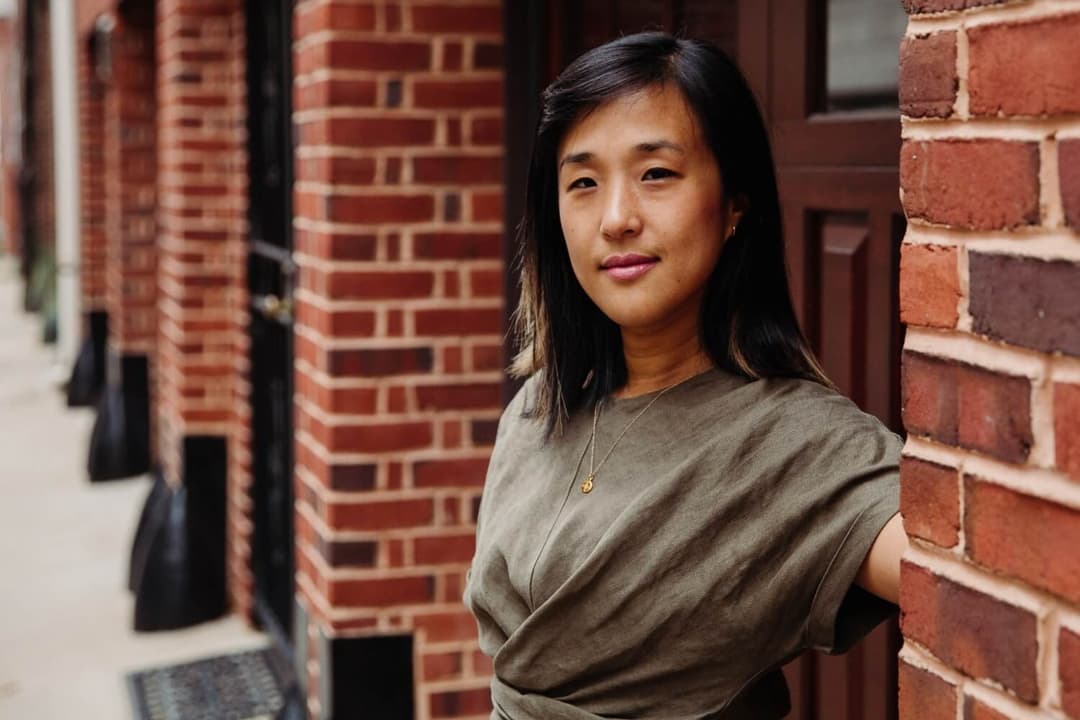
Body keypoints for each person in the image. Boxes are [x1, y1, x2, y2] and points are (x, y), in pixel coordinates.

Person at [463, 31, 908, 719]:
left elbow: (973, 575)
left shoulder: (794, 444)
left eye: (657, 174)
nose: (616, 220)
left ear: (735, 203)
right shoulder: (537, 407)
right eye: (583, 183)